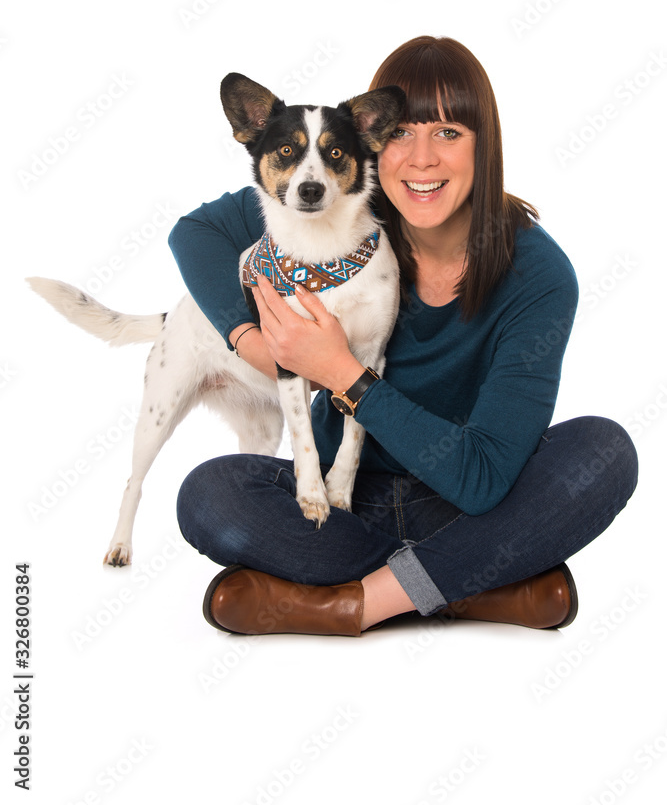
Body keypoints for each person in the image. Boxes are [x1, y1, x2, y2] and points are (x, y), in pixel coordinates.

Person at [171, 35, 638, 637]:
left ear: (483, 145)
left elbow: (484, 477)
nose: (422, 159)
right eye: (401, 134)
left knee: (605, 452)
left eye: (448, 133)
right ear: (370, 143)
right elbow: (196, 232)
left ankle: (356, 603)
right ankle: (470, 585)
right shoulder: (342, 204)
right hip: (344, 508)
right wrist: (252, 341)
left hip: (468, 505)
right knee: (208, 495)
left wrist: (342, 373)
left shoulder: (539, 275)